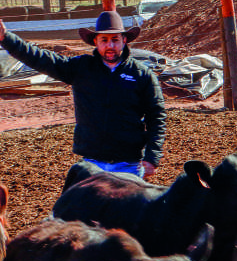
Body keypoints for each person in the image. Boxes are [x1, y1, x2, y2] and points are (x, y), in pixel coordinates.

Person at [0, 10, 166, 179]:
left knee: (131, 206)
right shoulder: (81, 68)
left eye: (115, 40)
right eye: (104, 40)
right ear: (95, 41)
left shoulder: (141, 74)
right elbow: (40, 58)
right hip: (91, 165)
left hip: (129, 165)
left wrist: (152, 157)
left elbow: (156, 116)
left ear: (124, 40)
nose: (110, 46)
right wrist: (6, 38)